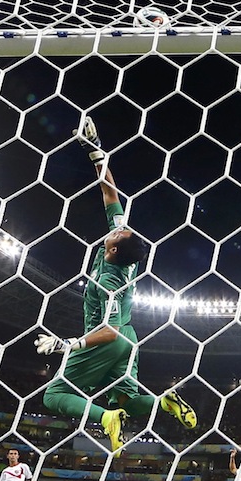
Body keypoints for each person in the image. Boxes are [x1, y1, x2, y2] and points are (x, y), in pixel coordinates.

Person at [36, 116, 197, 456]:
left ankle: (105, 418)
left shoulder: (109, 278)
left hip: (109, 339)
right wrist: (95, 152)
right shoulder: (125, 253)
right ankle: (163, 403)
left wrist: (68, 344)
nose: (118, 225)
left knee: (54, 396)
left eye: (118, 231)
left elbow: (108, 330)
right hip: (130, 339)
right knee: (125, 397)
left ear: (112, 248)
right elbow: (110, 193)